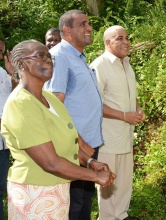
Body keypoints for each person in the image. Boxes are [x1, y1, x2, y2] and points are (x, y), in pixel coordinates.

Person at [1, 39, 115, 219]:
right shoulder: (21, 104)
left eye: (49, 56)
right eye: (40, 55)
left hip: (58, 189)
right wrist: (94, 176)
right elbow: (50, 162)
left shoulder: (50, 98)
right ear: (22, 64)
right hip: (34, 193)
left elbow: (68, 139)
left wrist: (89, 162)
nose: (48, 60)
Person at [44, 10, 105, 220]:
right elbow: (54, 105)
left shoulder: (78, 56)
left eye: (89, 23)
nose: (89, 28)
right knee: (74, 204)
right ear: (67, 30)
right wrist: (78, 144)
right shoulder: (60, 56)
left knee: (84, 200)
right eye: (83, 24)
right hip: (75, 147)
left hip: (88, 143)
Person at [90, 25, 146, 220]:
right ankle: (106, 218)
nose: (126, 42)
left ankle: (121, 216)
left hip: (126, 136)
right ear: (108, 42)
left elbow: (131, 95)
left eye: (127, 38)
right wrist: (124, 116)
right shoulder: (99, 65)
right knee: (107, 182)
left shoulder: (127, 64)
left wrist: (138, 110)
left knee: (124, 183)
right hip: (108, 138)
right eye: (119, 38)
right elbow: (95, 105)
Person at [0, 37, 13, 220]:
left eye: (1, 50)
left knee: (1, 188)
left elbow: (15, 95)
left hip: (3, 143)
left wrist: (12, 73)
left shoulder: (2, 73)